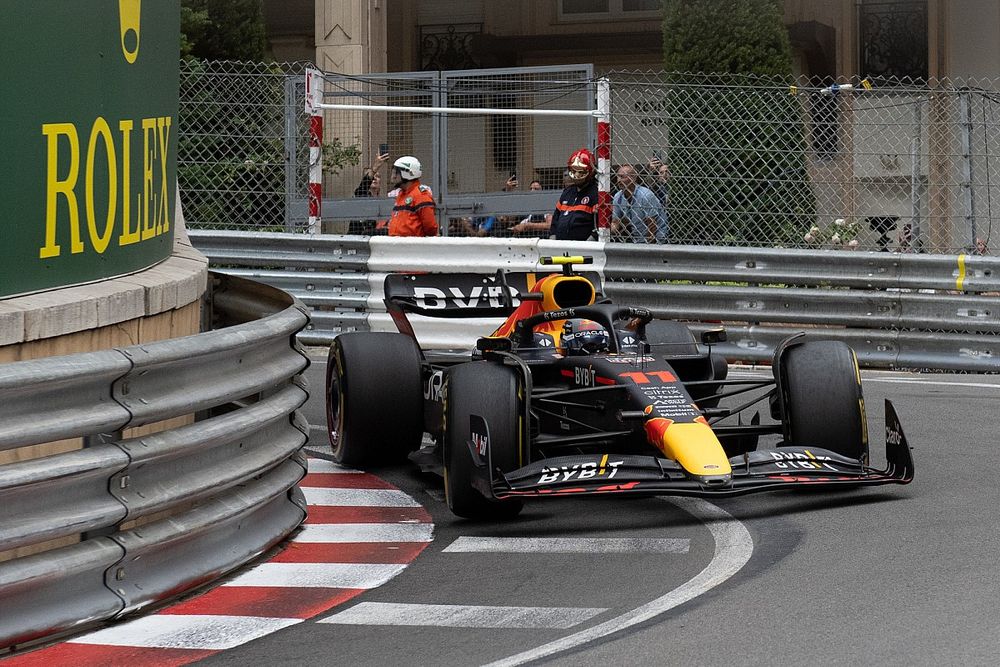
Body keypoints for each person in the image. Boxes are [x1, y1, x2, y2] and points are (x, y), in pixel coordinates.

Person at [550, 148, 599, 241]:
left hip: (584, 249)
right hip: (560, 247)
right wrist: (552, 242)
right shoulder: (567, 192)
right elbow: (555, 220)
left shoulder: (595, 194)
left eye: (581, 172)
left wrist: (587, 245)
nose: (576, 176)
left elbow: (599, 224)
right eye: (574, 170)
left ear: (590, 172)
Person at [612, 164, 667, 243]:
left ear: (633, 178)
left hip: (657, 237)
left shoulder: (645, 195)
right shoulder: (618, 197)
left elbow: (652, 224)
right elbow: (615, 222)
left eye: (622, 177)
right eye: (618, 176)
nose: (618, 180)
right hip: (636, 237)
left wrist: (646, 244)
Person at [387, 156, 438, 237]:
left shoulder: (421, 196)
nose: (393, 177)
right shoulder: (402, 195)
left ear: (407, 173)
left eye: (396, 173)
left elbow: (430, 228)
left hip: (413, 247)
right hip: (399, 246)